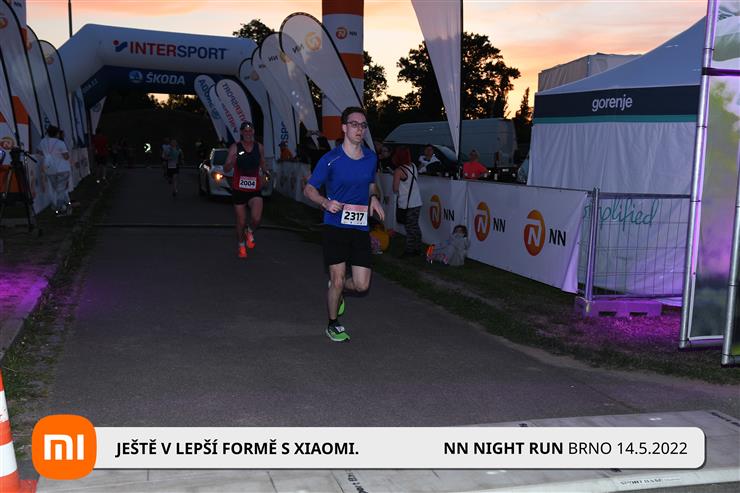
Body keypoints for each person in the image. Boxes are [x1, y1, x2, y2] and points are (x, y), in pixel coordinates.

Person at [303, 106, 385, 342]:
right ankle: (333, 324)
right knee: (338, 278)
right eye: (354, 124)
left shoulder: (370, 158)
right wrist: (325, 202)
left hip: (360, 228)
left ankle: (338, 290)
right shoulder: (330, 160)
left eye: (363, 125)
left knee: (361, 285)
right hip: (335, 226)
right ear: (344, 128)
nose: (359, 129)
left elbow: (371, 184)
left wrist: (373, 197)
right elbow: (309, 189)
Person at [223, 121, 269, 259]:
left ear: (253, 132)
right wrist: (231, 162)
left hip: (254, 189)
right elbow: (226, 168)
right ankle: (241, 245)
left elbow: (262, 162)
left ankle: (249, 231)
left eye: (250, 131)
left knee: (256, 219)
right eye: (245, 131)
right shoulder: (235, 147)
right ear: (242, 133)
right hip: (239, 189)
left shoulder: (259, 147)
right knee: (241, 221)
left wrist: (266, 172)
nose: (248, 133)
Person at [392, 146, 423, 257]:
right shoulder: (413, 166)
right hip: (416, 201)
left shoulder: (399, 171)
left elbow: (395, 189)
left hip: (407, 203)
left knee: (410, 228)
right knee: (414, 226)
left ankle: (410, 250)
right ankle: (417, 248)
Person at [38, 125, 72, 215]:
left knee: (56, 189)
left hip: (49, 169)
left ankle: (64, 205)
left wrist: (47, 155)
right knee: (61, 190)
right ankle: (60, 209)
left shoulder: (43, 142)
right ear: (57, 133)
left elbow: (38, 151)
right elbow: (66, 156)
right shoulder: (60, 143)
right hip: (62, 169)